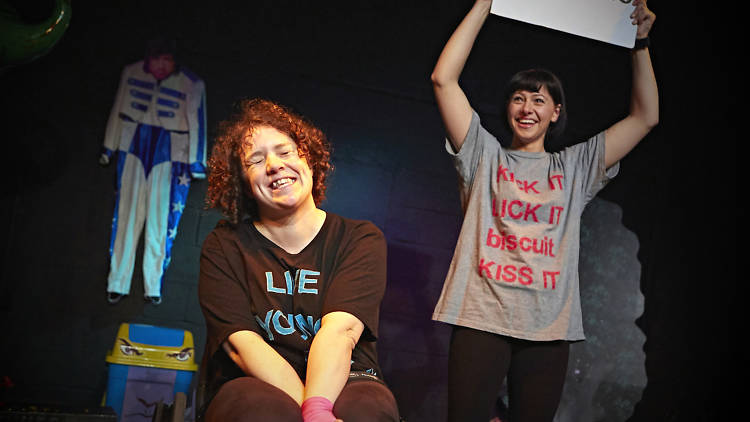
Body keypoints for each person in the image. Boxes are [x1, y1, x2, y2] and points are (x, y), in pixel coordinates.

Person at [429, 1, 658, 421]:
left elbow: (645, 117)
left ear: (555, 113)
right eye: (518, 98)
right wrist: (484, 5)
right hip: (481, 319)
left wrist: (640, 43)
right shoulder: (483, 156)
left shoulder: (575, 166)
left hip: (548, 330)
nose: (527, 107)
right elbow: (443, 80)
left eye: (539, 99)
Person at [198, 98, 400, 422]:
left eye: (285, 151)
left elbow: (341, 332)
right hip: (256, 380)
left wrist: (318, 408)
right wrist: (307, 412)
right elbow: (242, 345)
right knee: (261, 412)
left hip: (346, 376)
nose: (274, 165)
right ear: (246, 186)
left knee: (366, 411)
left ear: (308, 157)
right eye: (256, 160)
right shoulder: (225, 246)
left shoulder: (358, 238)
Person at [101, 38, 208, 305]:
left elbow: (198, 122)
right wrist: (109, 146)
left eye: (167, 60)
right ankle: (118, 282)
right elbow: (118, 108)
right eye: (156, 58)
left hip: (171, 151)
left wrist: (196, 162)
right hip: (133, 142)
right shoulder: (132, 72)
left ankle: (153, 286)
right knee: (127, 214)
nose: (160, 65)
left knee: (160, 221)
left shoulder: (192, 83)